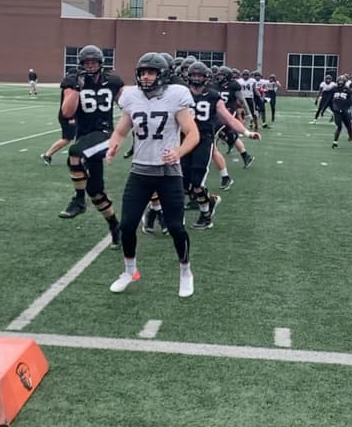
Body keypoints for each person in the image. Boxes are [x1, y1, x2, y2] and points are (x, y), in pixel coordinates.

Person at [106, 52, 200, 297]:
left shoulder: (176, 96)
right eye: (142, 72)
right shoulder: (132, 97)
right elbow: (121, 129)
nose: (145, 76)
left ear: (163, 73)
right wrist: (114, 144)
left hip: (168, 173)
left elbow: (193, 134)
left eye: (151, 72)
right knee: (127, 225)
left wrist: (178, 151)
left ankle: (186, 271)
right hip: (140, 169)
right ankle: (130, 271)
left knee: (176, 227)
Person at [58, 45, 124, 248]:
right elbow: (68, 112)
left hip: (105, 134)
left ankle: (78, 200)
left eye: (93, 62)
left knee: (74, 153)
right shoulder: (72, 80)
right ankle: (115, 227)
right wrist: (76, 88)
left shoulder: (112, 80)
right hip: (85, 137)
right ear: (81, 64)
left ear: (100, 63)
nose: (90, 65)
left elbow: (126, 104)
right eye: (86, 62)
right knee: (95, 190)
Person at [183, 62, 260, 229]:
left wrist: (247, 133)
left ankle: (205, 216)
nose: (196, 78)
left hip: (203, 140)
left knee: (197, 182)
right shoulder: (181, 94)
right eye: (193, 75)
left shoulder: (213, 96)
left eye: (199, 75)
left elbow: (229, 118)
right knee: (183, 184)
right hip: (184, 140)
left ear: (205, 77)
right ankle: (210, 201)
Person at [41, 68, 78, 165]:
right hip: (68, 116)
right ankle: (48, 155)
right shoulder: (70, 84)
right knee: (67, 138)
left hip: (72, 115)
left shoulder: (73, 83)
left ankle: (79, 157)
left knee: (79, 136)